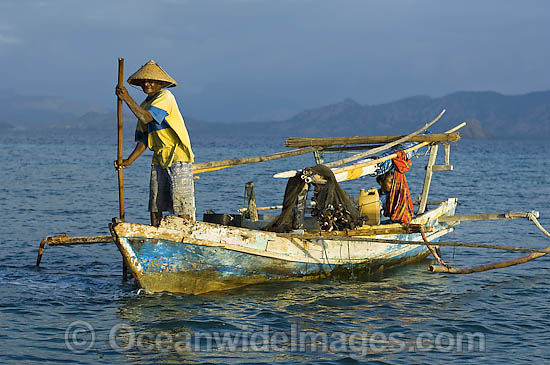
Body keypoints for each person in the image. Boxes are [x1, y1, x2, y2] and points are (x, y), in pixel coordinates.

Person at [114, 60, 195, 226]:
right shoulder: (145, 104)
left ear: (160, 83)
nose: (147, 84)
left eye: (151, 81)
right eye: (144, 81)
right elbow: (144, 139)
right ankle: (156, 234)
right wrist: (128, 162)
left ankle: (186, 234)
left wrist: (126, 97)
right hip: (159, 158)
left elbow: (146, 117)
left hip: (177, 156)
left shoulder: (165, 97)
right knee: (155, 204)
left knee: (181, 205)